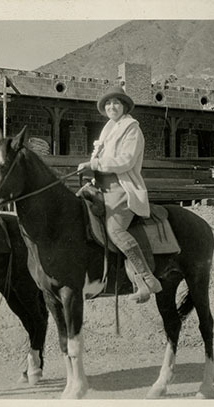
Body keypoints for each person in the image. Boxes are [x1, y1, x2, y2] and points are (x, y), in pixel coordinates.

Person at [77, 86, 162, 303]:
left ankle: (146, 277)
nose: (111, 107)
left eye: (116, 103)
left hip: (122, 188)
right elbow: (98, 159)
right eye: (107, 104)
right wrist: (89, 172)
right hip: (101, 187)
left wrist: (94, 163)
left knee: (114, 229)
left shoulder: (132, 129)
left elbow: (126, 161)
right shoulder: (108, 129)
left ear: (124, 106)